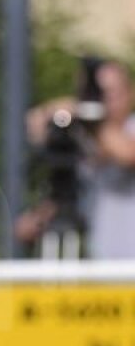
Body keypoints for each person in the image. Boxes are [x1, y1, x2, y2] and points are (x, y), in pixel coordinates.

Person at [19, 58, 135, 259]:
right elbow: (34, 124)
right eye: (98, 95)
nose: (105, 101)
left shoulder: (123, 130)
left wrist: (90, 115)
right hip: (99, 268)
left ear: (130, 92)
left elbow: (127, 153)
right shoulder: (86, 137)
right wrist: (40, 217)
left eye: (110, 93)